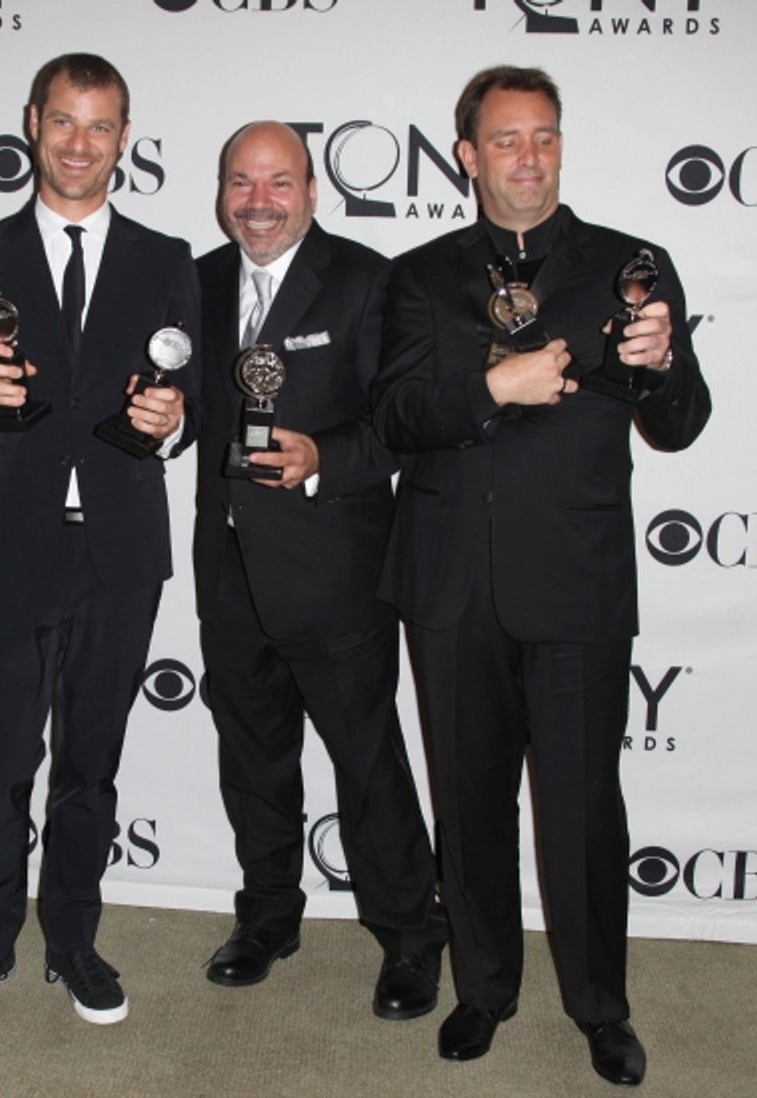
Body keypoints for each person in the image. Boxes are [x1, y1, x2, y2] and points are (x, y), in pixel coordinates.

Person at [372, 66, 710, 1086]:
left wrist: (661, 367)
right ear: (468, 156)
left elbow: (681, 422)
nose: (528, 156)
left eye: (544, 137)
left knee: (580, 807)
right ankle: (484, 989)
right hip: (450, 585)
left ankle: (601, 1007)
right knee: (468, 807)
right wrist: (492, 386)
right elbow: (392, 419)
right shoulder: (420, 275)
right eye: (507, 140)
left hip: (577, 582)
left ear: (560, 148)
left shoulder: (630, 268)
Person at [0, 53, 201, 1029]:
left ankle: (74, 941)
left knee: (92, 761)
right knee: (1, 761)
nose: (80, 144)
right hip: (9, 543)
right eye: (64, 122)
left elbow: (196, 396)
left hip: (121, 549)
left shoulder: (167, 260)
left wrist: (175, 415)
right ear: (33, 122)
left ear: (124, 137)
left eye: (101, 126)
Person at [192, 121, 446, 1017]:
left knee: (366, 760)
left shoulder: (370, 279)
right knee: (253, 756)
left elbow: (402, 422)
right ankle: (268, 915)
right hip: (227, 565)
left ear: (312, 189)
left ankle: (412, 935)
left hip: (335, 566)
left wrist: (321, 458)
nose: (258, 202)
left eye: (279, 183)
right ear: (221, 191)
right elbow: (189, 410)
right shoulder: (200, 280)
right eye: (240, 183)